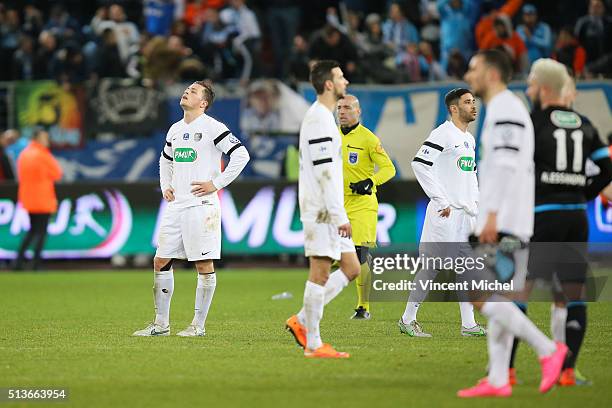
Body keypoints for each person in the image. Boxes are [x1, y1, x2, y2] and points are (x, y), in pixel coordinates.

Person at [459, 49, 567, 397]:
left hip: (502, 220)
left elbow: (505, 165)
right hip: (511, 218)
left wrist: (490, 216)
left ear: (492, 74)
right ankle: (498, 379)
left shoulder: (505, 108)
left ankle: (548, 350)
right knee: (499, 299)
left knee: (475, 293)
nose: (468, 75)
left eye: (474, 69)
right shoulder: (507, 108)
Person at [508, 59, 612, 386]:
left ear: (543, 88)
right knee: (572, 293)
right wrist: (583, 192)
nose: (528, 90)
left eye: (531, 84)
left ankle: (505, 370)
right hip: (575, 216)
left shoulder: (533, 122)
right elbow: (607, 170)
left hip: (541, 215)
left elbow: (513, 169)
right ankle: (568, 371)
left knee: (519, 292)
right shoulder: (584, 122)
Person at [133, 80, 250, 337]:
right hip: (176, 206)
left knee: (203, 263)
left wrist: (215, 183)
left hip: (202, 205)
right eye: (187, 89)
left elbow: (241, 155)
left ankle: (198, 326)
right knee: (161, 260)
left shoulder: (213, 127)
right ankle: (161, 325)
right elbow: (165, 160)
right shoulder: (175, 129)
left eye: (193, 91)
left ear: (204, 103)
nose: (187, 92)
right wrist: (166, 185)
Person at [284, 60, 360, 358]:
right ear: (328, 84)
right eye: (341, 77)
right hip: (322, 210)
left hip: (328, 208)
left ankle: (302, 319)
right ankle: (313, 344)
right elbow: (324, 170)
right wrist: (339, 215)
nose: (346, 81)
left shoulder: (325, 117)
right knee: (320, 271)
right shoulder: (318, 119)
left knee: (352, 268)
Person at [398, 88, 485, 338]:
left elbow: (471, 175)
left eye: (474, 101)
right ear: (454, 108)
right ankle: (407, 319)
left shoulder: (468, 139)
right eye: (467, 102)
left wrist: (475, 204)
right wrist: (440, 198)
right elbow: (419, 163)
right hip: (445, 213)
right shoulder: (443, 133)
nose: (473, 106)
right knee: (431, 268)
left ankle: (468, 325)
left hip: (465, 214)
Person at [336, 94, 396, 319]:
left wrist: (371, 181)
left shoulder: (369, 139)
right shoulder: (331, 137)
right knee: (334, 257)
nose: (342, 112)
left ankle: (363, 307)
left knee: (359, 253)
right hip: (337, 204)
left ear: (358, 112)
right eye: (339, 107)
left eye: (348, 108)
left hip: (362, 204)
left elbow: (389, 169)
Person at [14, 129, 62, 270]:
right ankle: (36, 264)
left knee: (32, 230)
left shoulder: (24, 154)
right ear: (38, 139)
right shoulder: (43, 155)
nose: (47, 141)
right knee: (40, 232)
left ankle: (18, 262)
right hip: (43, 198)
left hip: (28, 198)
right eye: (45, 138)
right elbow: (57, 173)